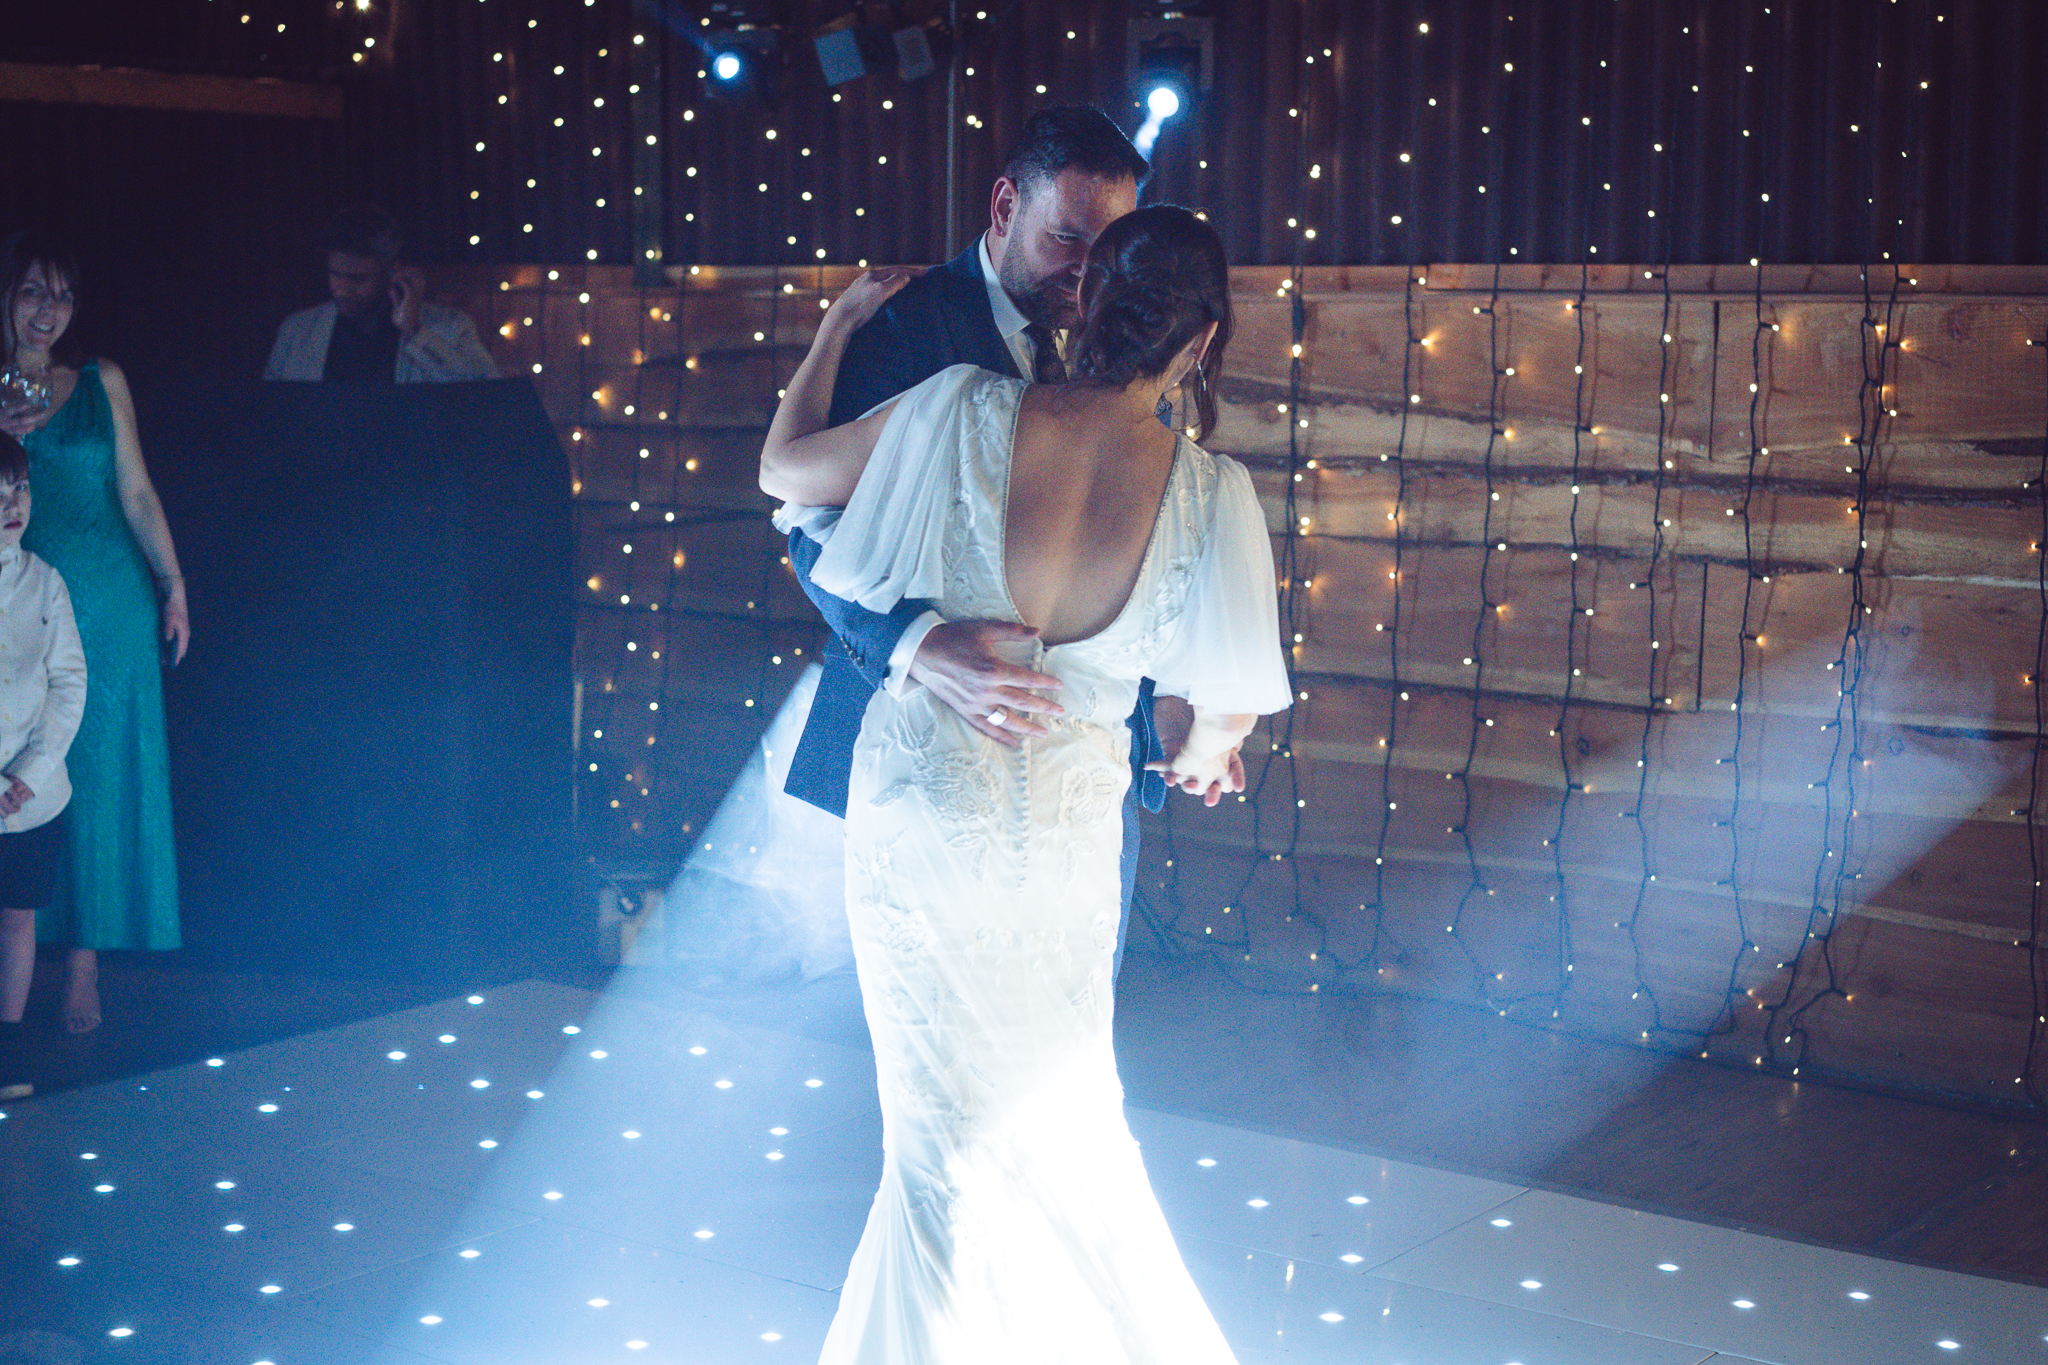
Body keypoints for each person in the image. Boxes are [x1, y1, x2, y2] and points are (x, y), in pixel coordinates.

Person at [760, 205, 1290, 1363]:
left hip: (917, 822)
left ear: (1085, 302)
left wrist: (838, 326)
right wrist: (1202, 751)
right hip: (1057, 852)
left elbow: (783, 468)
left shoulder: (956, 407)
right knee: (1061, 1126)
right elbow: (1217, 719)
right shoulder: (1213, 496)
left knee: (932, 1140)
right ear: (1203, 341)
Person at [782, 107, 1225, 971]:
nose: (1093, 271)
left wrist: (1170, 690)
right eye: (1068, 238)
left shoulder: (1138, 340)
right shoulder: (907, 330)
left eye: (1112, 246)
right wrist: (916, 644)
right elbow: (807, 524)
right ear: (1001, 210)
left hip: (1082, 780)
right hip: (922, 748)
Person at [0, 231, 187, 1034]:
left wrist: (173, 583)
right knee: (25, 770)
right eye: (34, 292)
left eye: (63, 295)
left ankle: (83, 967)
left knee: (100, 777)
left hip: (109, 602)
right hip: (20, 602)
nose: (49, 311)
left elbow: (136, 492)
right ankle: (21, 953)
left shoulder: (102, 379)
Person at [0, 433, 88, 1099]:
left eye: (20, 489)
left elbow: (68, 683)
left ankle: (8, 1044)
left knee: (18, 914)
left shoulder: (45, 581)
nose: (12, 504)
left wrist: (26, 770)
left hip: (30, 795)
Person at [263, 205, 500, 384]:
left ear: (393, 273)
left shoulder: (451, 327)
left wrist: (414, 330)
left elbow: (484, 394)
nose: (341, 289)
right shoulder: (299, 331)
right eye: (335, 274)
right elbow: (274, 412)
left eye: (358, 278)